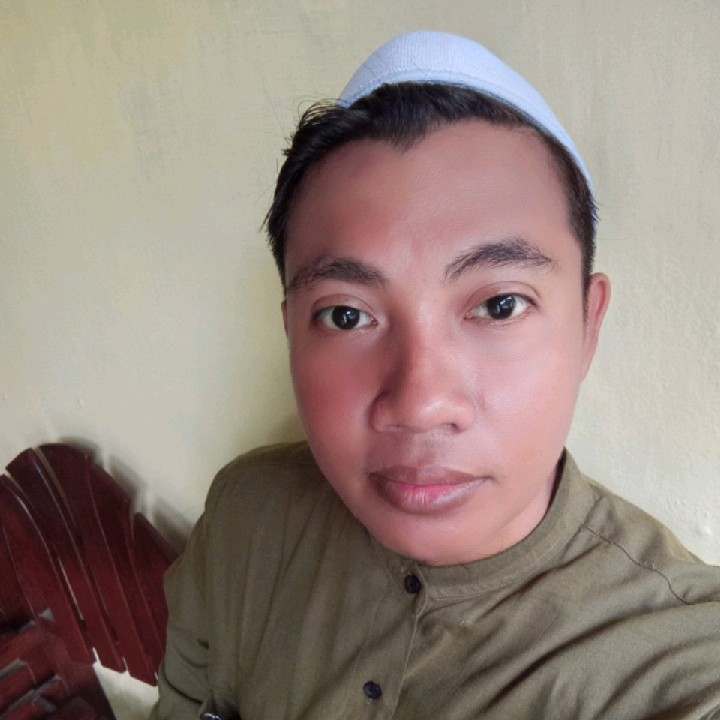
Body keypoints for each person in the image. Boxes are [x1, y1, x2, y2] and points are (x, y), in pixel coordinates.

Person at [149, 31, 720, 720]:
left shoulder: (679, 661)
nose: (420, 404)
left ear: (587, 325)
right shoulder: (247, 516)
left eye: (500, 305)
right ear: (291, 330)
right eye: (346, 315)